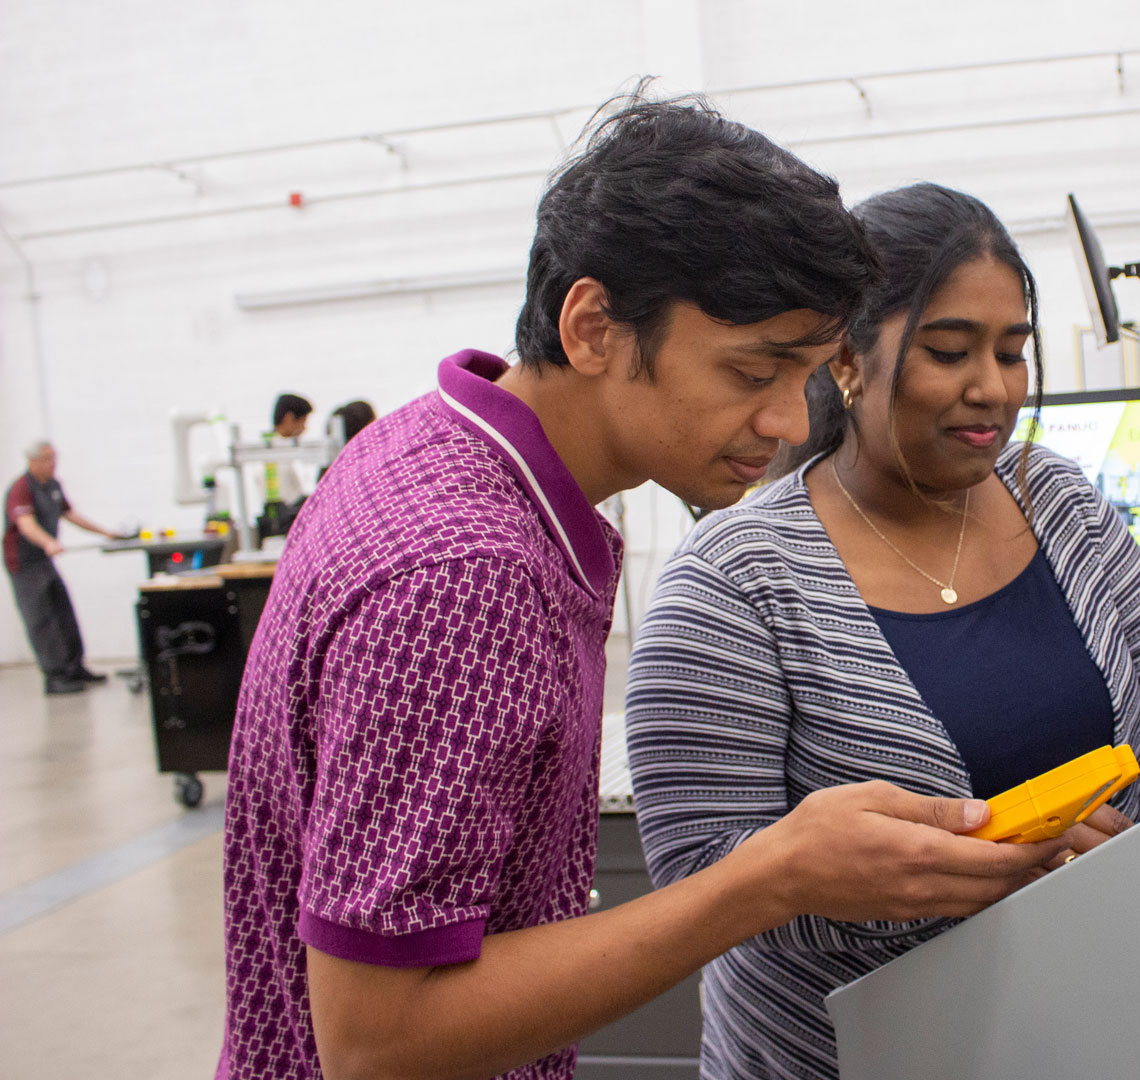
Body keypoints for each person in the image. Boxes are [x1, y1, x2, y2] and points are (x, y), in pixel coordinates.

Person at [219, 96, 1065, 1080]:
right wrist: (771, 878)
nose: (792, 421)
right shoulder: (467, 582)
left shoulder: (421, 445)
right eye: (753, 371)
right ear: (593, 327)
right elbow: (378, 1042)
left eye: (804, 374)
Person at [625, 182, 1140, 1080]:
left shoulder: (1057, 503)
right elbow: (701, 884)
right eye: (948, 350)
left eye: (1013, 352)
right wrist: (975, 865)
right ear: (848, 359)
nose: (993, 389)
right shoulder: (735, 584)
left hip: (1081, 1024)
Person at [5, 441, 121, 694]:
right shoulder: (22, 488)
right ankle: (55, 677)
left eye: (54, 457)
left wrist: (107, 533)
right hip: (24, 564)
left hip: (45, 560)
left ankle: (74, 667)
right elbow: (25, 524)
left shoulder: (53, 485)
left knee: (63, 612)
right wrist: (48, 542)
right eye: (48, 458)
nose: (53, 463)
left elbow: (71, 514)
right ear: (33, 461)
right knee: (41, 620)